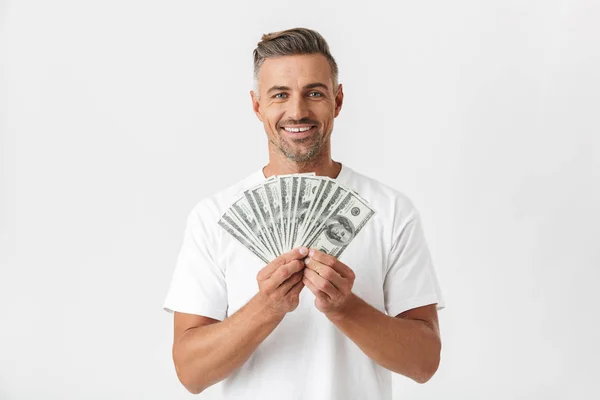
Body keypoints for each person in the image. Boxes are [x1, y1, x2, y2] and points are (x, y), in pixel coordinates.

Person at [162, 27, 445, 399]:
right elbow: (191, 373)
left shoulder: (390, 211)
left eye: (315, 93)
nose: (297, 111)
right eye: (280, 95)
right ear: (257, 105)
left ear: (338, 101)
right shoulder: (213, 216)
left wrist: (346, 308)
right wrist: (266, 307)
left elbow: (424, 363)